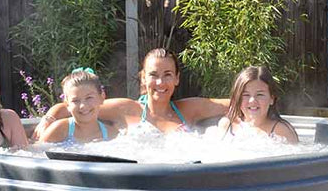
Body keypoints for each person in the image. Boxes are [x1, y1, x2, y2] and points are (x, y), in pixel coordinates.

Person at [32, 48, 229, 140]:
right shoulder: (126, 109)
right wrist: (48, 118)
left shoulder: (189, 109)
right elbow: (76, 106)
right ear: (143, 78)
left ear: (177, 78)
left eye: (167, 75)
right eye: (153, 75)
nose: (160, 82)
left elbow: (236, 103)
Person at [217, 66, 299, 144]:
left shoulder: (282, 131)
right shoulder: (227, 125)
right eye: (246, 95)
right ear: (237, 98)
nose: (252, 100)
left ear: (272, 99)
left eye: (260, 95)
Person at [38, 68, 119, 144]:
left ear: (102, 97)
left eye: (89, 98)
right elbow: (39, 152)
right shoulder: (59, 129)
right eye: (75, 100)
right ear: (67, 104)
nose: (83, 106)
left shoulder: (112, 134)